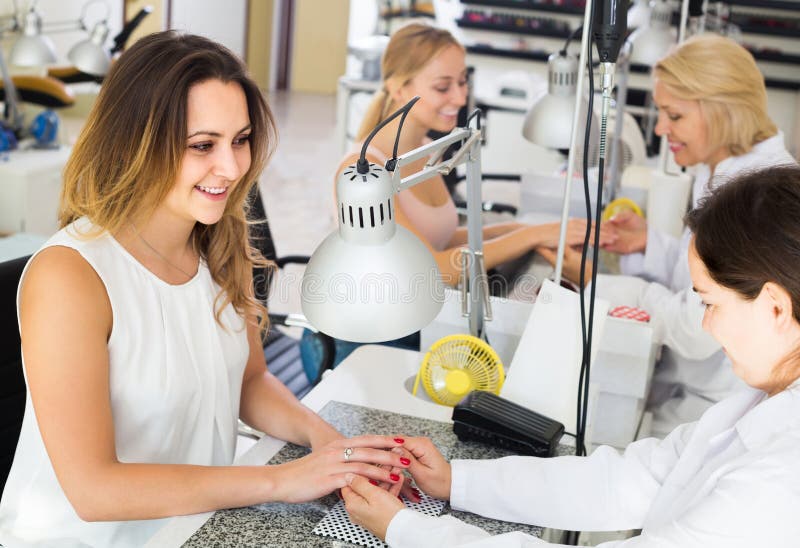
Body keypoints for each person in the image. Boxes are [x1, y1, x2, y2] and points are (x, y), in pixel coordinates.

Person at [0, 32, 411, 548]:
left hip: (193, 527)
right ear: (135, 142)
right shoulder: (71, 276)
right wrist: (283, 481)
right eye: (202, 145)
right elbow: (92, 489)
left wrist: (325, 440)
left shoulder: (220, 246)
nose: (234, 167)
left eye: (240, 139)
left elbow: (249, 381)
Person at [341, 164, 800, 547]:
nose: (705, 324)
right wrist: (457, 481)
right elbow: (631, 480)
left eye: (708, 302)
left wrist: (408, 530)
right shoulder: (762, 406)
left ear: (775, 307)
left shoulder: (779, 480)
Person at [543, 34, 796, 436]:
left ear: (723, 112)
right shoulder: (717, 167)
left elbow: (698, 327)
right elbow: (700, 271)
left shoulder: (751, 195)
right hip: (692, 383)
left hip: (717, 399)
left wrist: (602, 284)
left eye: (674, 116)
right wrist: (648, 245)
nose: (660, 128)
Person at [339, 22, 599, 289]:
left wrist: (527, 230)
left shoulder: (425, 149)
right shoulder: (363, 174)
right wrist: (530, 236)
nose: (461, 98)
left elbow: (439, 239)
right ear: (397, 89)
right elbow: (432, 270)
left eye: (463, 82)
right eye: (442, 87)